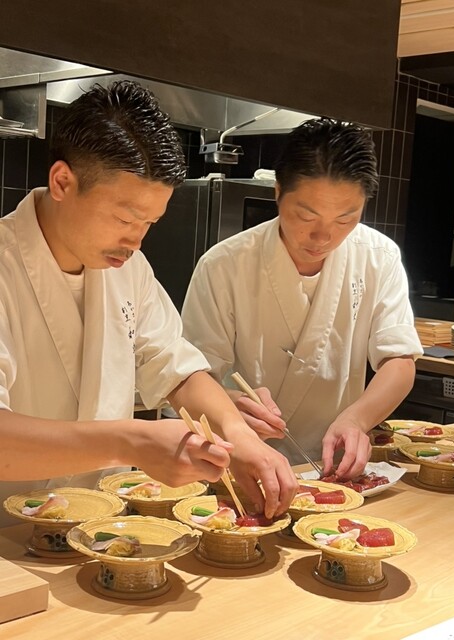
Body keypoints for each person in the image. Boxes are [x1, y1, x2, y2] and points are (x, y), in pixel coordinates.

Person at [0, 80, 297, 527]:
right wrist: (133, 441)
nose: (136, 240)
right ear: (62, 182)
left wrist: (237, 435)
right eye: (125, 218)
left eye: (150, 222)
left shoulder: (129, 266)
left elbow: (175, 367)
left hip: (102, 530)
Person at [182, 117, 423, 479]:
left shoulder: (379, 257)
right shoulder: (224, 265)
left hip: (333, 467)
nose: (323, 237)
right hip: (239, 465)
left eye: (345, 219)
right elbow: (190, 378)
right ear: (278, 192)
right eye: (306, 216)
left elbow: (399, 361)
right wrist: (230, 406)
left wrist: (357, 419)